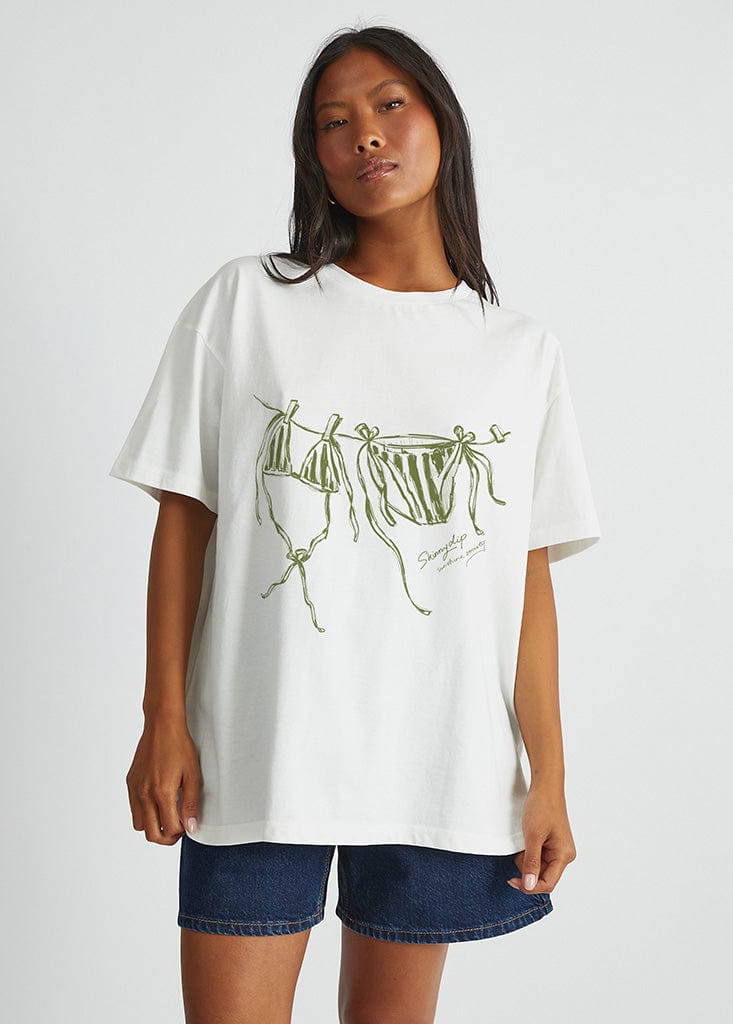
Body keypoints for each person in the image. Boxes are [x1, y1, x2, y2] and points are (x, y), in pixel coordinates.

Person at [109, 23, 602, 1024]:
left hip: (440, 764)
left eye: (387, 106)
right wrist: (163, 716)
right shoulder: (249, 302)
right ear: (316, 161)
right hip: (259, 750)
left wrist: (547, 774)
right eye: (333, 124)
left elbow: (524, 580)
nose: (365, 135)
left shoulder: (517, 351)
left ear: (440, 124)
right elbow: (184, 515)